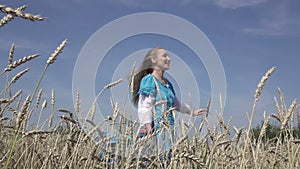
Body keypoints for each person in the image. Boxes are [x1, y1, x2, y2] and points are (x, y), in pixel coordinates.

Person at [132, 47, 207, 160]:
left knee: (168, 158)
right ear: (154, 60)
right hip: (156, 129)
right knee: (158, 159)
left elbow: (175, 103)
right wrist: (149, 128)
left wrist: (192, 112)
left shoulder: (168, 83)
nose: (169, 59)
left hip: (169, 129)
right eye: (165, 56)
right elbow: (144, 106)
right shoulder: (149, 80)